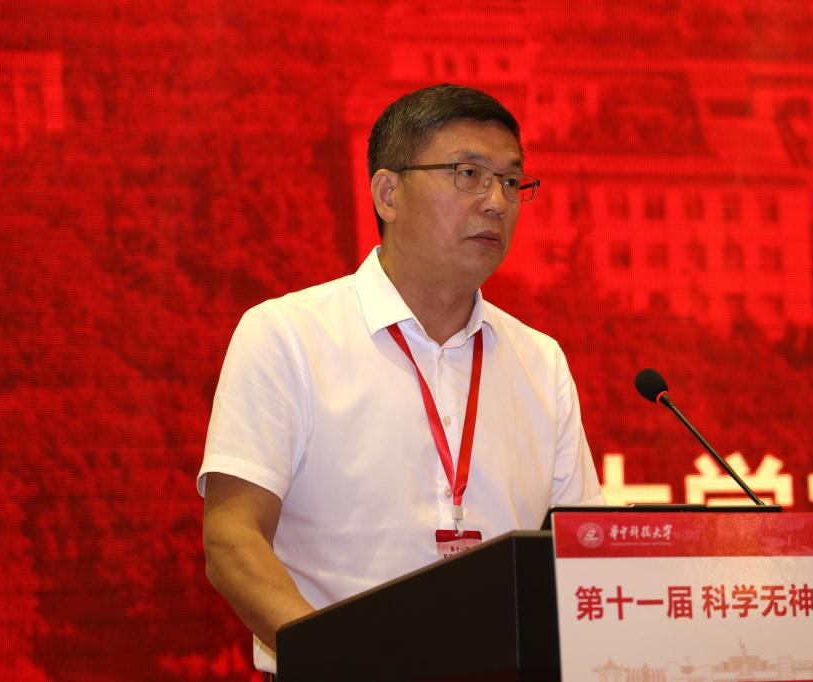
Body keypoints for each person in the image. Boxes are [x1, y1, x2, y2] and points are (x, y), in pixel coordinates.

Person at [198, 83, 604, 676]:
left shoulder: (541, 361)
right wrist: (338, 664)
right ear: (388, 193)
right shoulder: (288, 335)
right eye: (469, 174)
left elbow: (583, 552)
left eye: (511, 181)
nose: (497, 202)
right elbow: (232, 540)